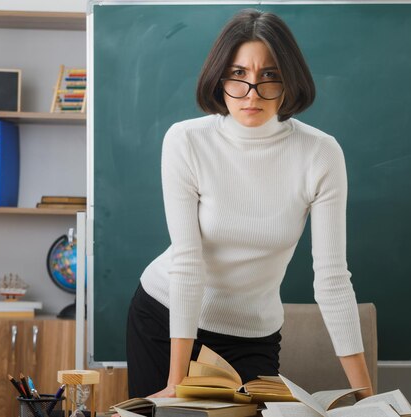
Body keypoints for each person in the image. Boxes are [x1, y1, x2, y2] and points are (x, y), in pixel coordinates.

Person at [126, 8, 373, 400]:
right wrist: (177, 384)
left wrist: (367, 398)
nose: (252, 93)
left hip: (252, 335)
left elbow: (332, 279)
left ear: (290, 79)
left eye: (269, 76)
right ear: (220, 77)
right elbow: (189, 261)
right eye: (239, 74)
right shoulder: (186, 141)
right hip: (166, 318)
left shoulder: (320, 153)